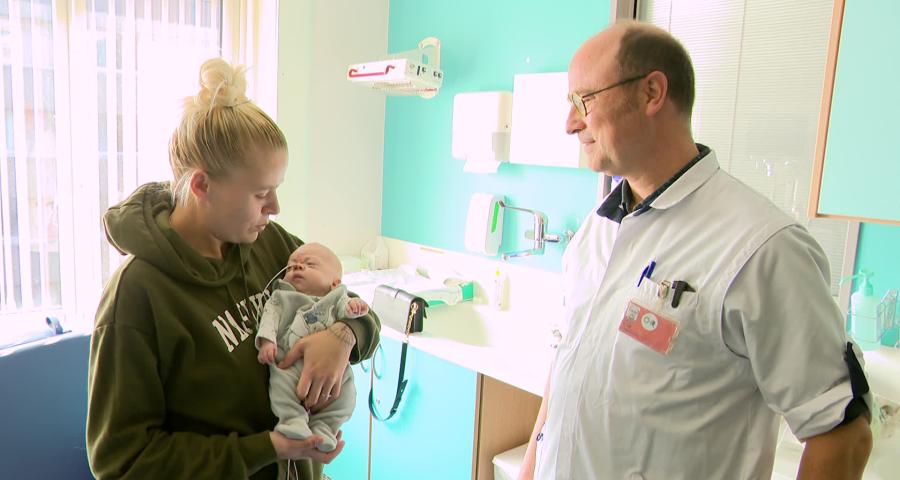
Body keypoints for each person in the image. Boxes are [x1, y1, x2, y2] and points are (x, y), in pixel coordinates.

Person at [519, 21, 873, 480]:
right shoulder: (597, 230)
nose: (570, 123)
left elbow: (841, 434)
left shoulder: (762, 247)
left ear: (652, 93)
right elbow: (569, 367)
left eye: (584, 100)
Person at [86, 58, 380, 480]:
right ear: (202, 185)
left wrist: (345, 336)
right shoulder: (137, 296)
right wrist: (263, 449)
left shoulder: (269, 243)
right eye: (261, 194)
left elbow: (352, 306)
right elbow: (122, 463)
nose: (275, 208)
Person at [256, 242, 369, 452]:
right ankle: (292, 421)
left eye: (310, 264)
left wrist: (354, 309)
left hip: (333, 370)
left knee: (346, 396)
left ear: (335, 283)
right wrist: (267, 342)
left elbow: (351, 312)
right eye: (291, 266)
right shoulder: (281, 297)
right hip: (289, 362)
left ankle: (325, 427)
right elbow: (269, 318)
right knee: (280, 387)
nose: (298, 267)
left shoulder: (336, 298)